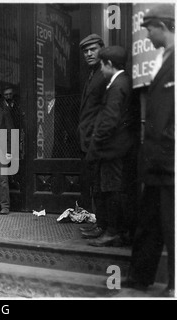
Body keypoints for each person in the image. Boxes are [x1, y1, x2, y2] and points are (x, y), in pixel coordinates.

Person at [124, 4, 175, 297]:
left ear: (165, 26)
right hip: (156, 159)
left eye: (150, 27)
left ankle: (175, 284)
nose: (147, 33)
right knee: (150, 221)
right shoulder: (163, 59)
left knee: (172, 223)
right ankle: (140, 276)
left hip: (170, 159)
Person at [84, 46, 136, 247]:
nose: (101, 70)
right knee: (111, 188)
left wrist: (96, 144)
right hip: (117, 148)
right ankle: (110, 230)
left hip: (113, 149)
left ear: (109, 65)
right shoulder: (122, 82)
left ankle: (113, 232)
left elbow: (109, 120)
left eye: (102, 66)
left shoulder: (117, 85)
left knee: (112, 189)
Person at [77, 34, 109, 239]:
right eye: (85, 51)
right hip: (88, 140)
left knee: (103, 185)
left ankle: (105, 226)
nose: (89, 54)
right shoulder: (92, 74)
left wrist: (95, 136)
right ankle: (101, 223)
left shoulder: (104, 74)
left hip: (98, 141)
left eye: (93, 49)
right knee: (96, 185)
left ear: (102, 50)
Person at [3, 85, 23, 191]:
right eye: (6, 94)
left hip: (16, 134)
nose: (8, 96)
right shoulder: (2, 107)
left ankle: (16, 181)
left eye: (10, 94)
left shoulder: (18, 105)